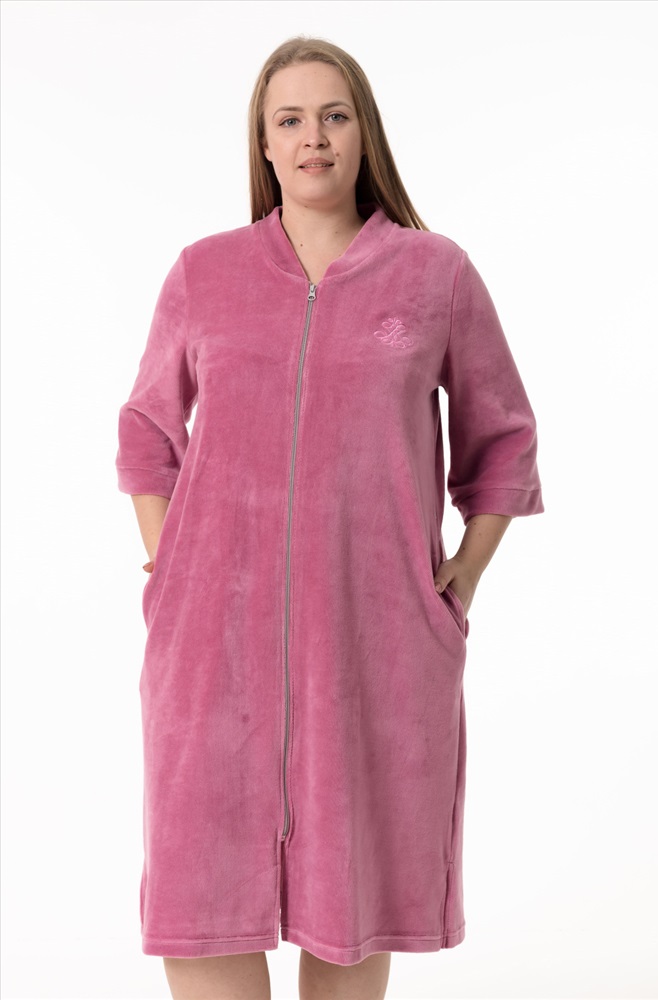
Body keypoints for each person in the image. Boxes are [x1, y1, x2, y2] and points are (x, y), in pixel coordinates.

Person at [115, 35, 544, 1000]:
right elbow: (145, 428)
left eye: (334, 116)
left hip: (371, 644)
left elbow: (505, 436)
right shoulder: (204, 272)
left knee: (351, 903)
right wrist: (168, 562)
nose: (314, 137)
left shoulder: (433, 273)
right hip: (210, 646)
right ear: (264, 144)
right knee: (199, 893)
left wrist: (464, 574)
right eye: (291, 120)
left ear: (363, 133)